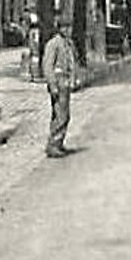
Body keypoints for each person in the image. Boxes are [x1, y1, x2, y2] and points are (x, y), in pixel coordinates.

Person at [42, 14, 76, 157]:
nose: (67, 30)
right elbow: (48, 65)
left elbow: (72, 63)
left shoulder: (68, 43)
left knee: (64, 114)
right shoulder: (54, 43)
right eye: (64, 27)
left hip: (65, 82)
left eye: (69, 27)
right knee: (61, 115)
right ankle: (53, 144)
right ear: (59, 28)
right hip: (58, 81)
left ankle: (59, 143)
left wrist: (74, 79)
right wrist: (52, 85)